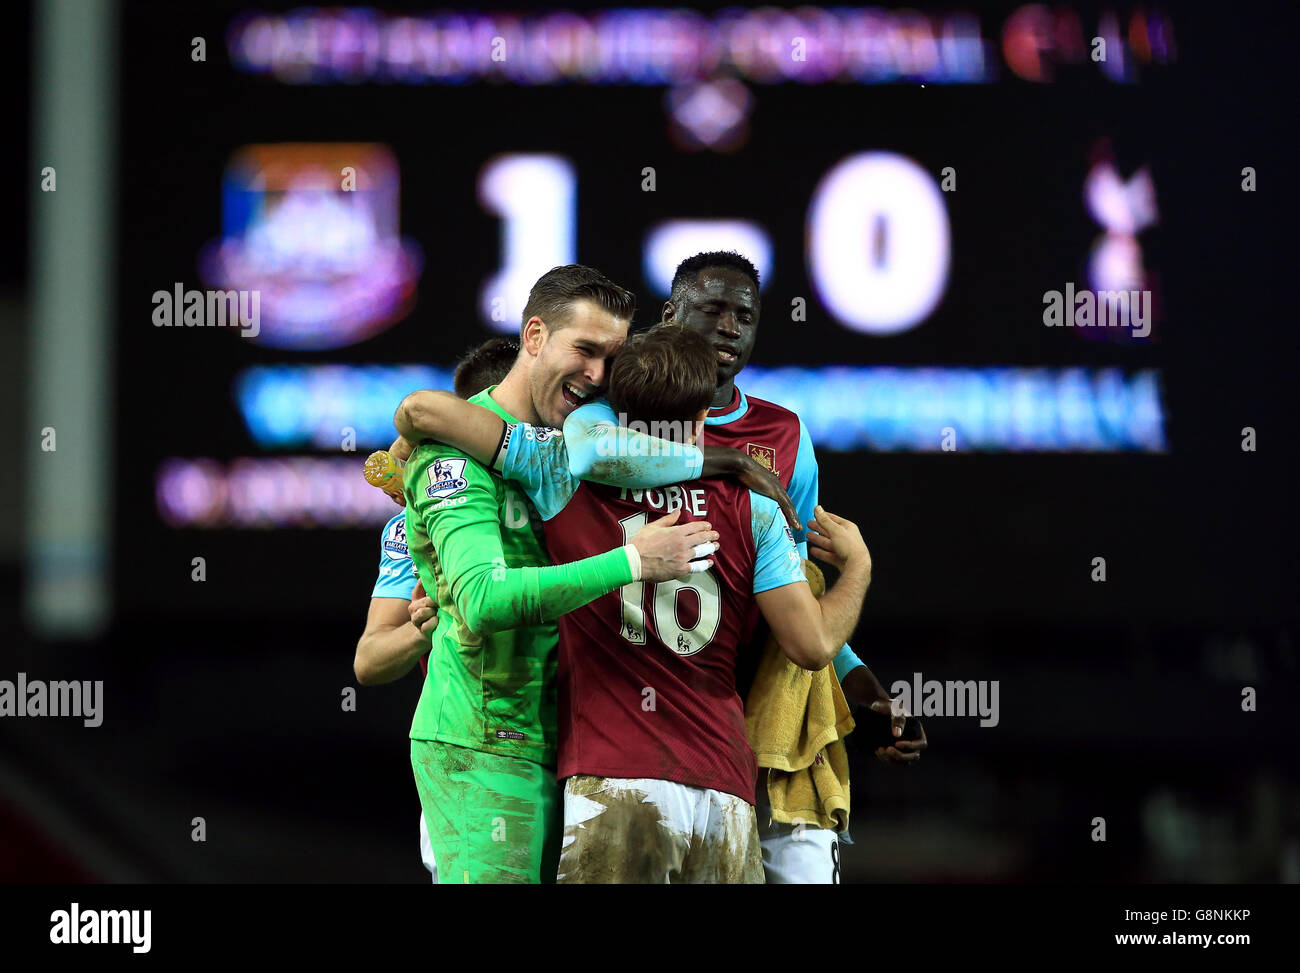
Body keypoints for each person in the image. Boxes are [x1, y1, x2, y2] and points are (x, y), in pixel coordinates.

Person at [386, 325, 874, 882]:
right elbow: (812, 647)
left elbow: (427, 412)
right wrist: (857, 570)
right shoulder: (754, 510)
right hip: (725, 791)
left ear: (612, 404)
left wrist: (400, 454)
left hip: (615, 777)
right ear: (703, 414)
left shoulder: (562, 471)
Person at [560, 251, 927, 883]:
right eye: (712, 309)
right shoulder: (609, 409)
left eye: (745, 315)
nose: (729, 327)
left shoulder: (785, 436)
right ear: (670, 314)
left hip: (744, 717)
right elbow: (590, 454)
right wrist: (728, 463)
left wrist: (859, 682)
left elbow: (796, 587)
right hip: (654, 718)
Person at [392, 265, 722, 884]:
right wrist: (634, 561)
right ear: (535, 335)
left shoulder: (578, 449)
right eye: (585, 350)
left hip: (570, 746)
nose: (597, 375)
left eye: (611, 358)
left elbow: (681, 451)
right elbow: (484, 599)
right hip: (485, 743)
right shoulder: (451, 454)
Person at [351, 337, 520, 882]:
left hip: (576, 750)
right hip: (468, 751)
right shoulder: (409, 524)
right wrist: (427, 625)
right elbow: (369, 661)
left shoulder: (567, 492)